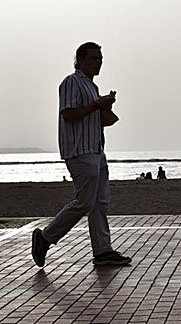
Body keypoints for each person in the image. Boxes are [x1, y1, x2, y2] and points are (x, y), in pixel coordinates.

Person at [31, 42, 131, 268]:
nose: (99, 62)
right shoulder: (71, 82)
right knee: (85, 201)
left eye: (100, 58)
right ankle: (45, 238)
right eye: (94, 58)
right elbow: (68, 114)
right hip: (80, 151)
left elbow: (97, 120)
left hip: (96, 150)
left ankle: (103, 250)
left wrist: (105, 107)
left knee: (99, 202)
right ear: (81, 60)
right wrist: (97, 105)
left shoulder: (92, 87)